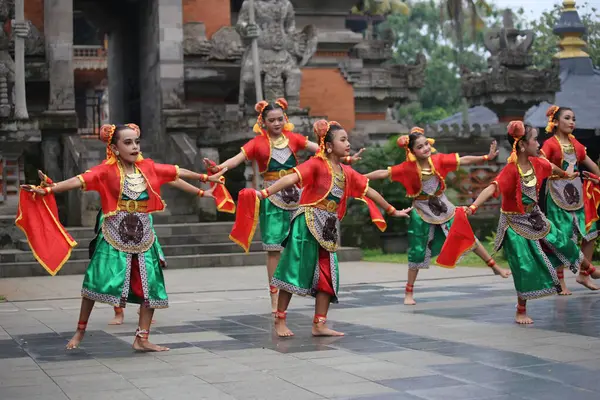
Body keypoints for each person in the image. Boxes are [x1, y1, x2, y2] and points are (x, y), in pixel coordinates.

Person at [21, 123, 226, 351]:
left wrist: (205, 179)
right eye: (128, 143)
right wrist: (50, 189)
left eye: (137, 142)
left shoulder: (146, 167)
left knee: (151, 285)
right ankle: (80, 331)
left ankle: (142, 338)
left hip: (143, 233)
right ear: (116, 148)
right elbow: (80, 180)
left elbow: (175, 172)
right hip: (114, 234)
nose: (135, 147)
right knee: (95, 281)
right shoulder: (106, 170)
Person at [255, 120, 411, 337]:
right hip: (306, 222)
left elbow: (369, 191)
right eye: (343, 140)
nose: (348, 144)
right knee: (293, 269)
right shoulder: (316, 164)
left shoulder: (346, 171)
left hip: (327, 226)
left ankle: (319, 324)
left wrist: (392, 210)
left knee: (328, 274)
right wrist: (265, 193)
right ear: (328, 146)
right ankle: (280, 320)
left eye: (347, 139)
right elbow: (291, 177)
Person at [206, 98, 363, 313]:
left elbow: (322, 149)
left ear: (285, 119)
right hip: (271, 198)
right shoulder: (257, 143)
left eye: (280, 119)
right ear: (263, 122)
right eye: (272, 120)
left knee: (300, 245)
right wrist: (219, 168)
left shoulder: (294, 139)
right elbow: (237, 158)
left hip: (297, 197)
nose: (277, 123)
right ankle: (274, 296)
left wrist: (344, 158)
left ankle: (306, 284)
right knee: (273, 249)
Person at [464, 121, 600, 324]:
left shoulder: (538, 164)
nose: (539, 143)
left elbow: (551, 167)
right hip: (515, 223)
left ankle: (589, 270)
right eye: (535, 139)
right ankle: (521, 310)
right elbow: (492, 188)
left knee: (563, 241)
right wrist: (473, 207)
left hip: (535, 217)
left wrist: (566, 174)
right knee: (524, 265)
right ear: (522, 145)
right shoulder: (511, 170)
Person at [364, 127, 511, 305]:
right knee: (417, 251)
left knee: (466, 234)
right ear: (412, 151)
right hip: (421, 209)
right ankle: (408, 292)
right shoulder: (407, 168)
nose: (425, 148)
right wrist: (360, 178)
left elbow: (462, 160)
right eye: (420, 147)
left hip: (442, 205)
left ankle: (494, 267)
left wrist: (486, 157)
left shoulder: (438, 159)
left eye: (426, 144)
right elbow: (384, 173)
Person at [540, 105, 600, 294]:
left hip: (577, 194)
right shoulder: (550, 144)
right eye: (567, 118)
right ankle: (560, 281)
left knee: (590, 232)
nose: (572, 122)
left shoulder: (577, 145)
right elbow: (541, 163)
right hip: (557, 193)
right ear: (556, 122)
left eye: (573, 118)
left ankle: (583, 273)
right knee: (563, 236)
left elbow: (592, 166)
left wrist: (596, 178)